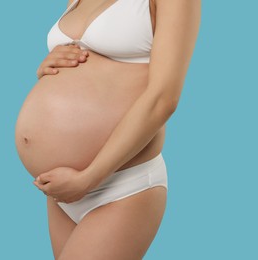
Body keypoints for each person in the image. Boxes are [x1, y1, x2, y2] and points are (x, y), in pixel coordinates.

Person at [31, 0, 201, 259]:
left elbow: (164, 99)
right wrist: (49, 67)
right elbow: (96, 68)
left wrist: (88, 179)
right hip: (63, 187)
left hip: (121, 186)